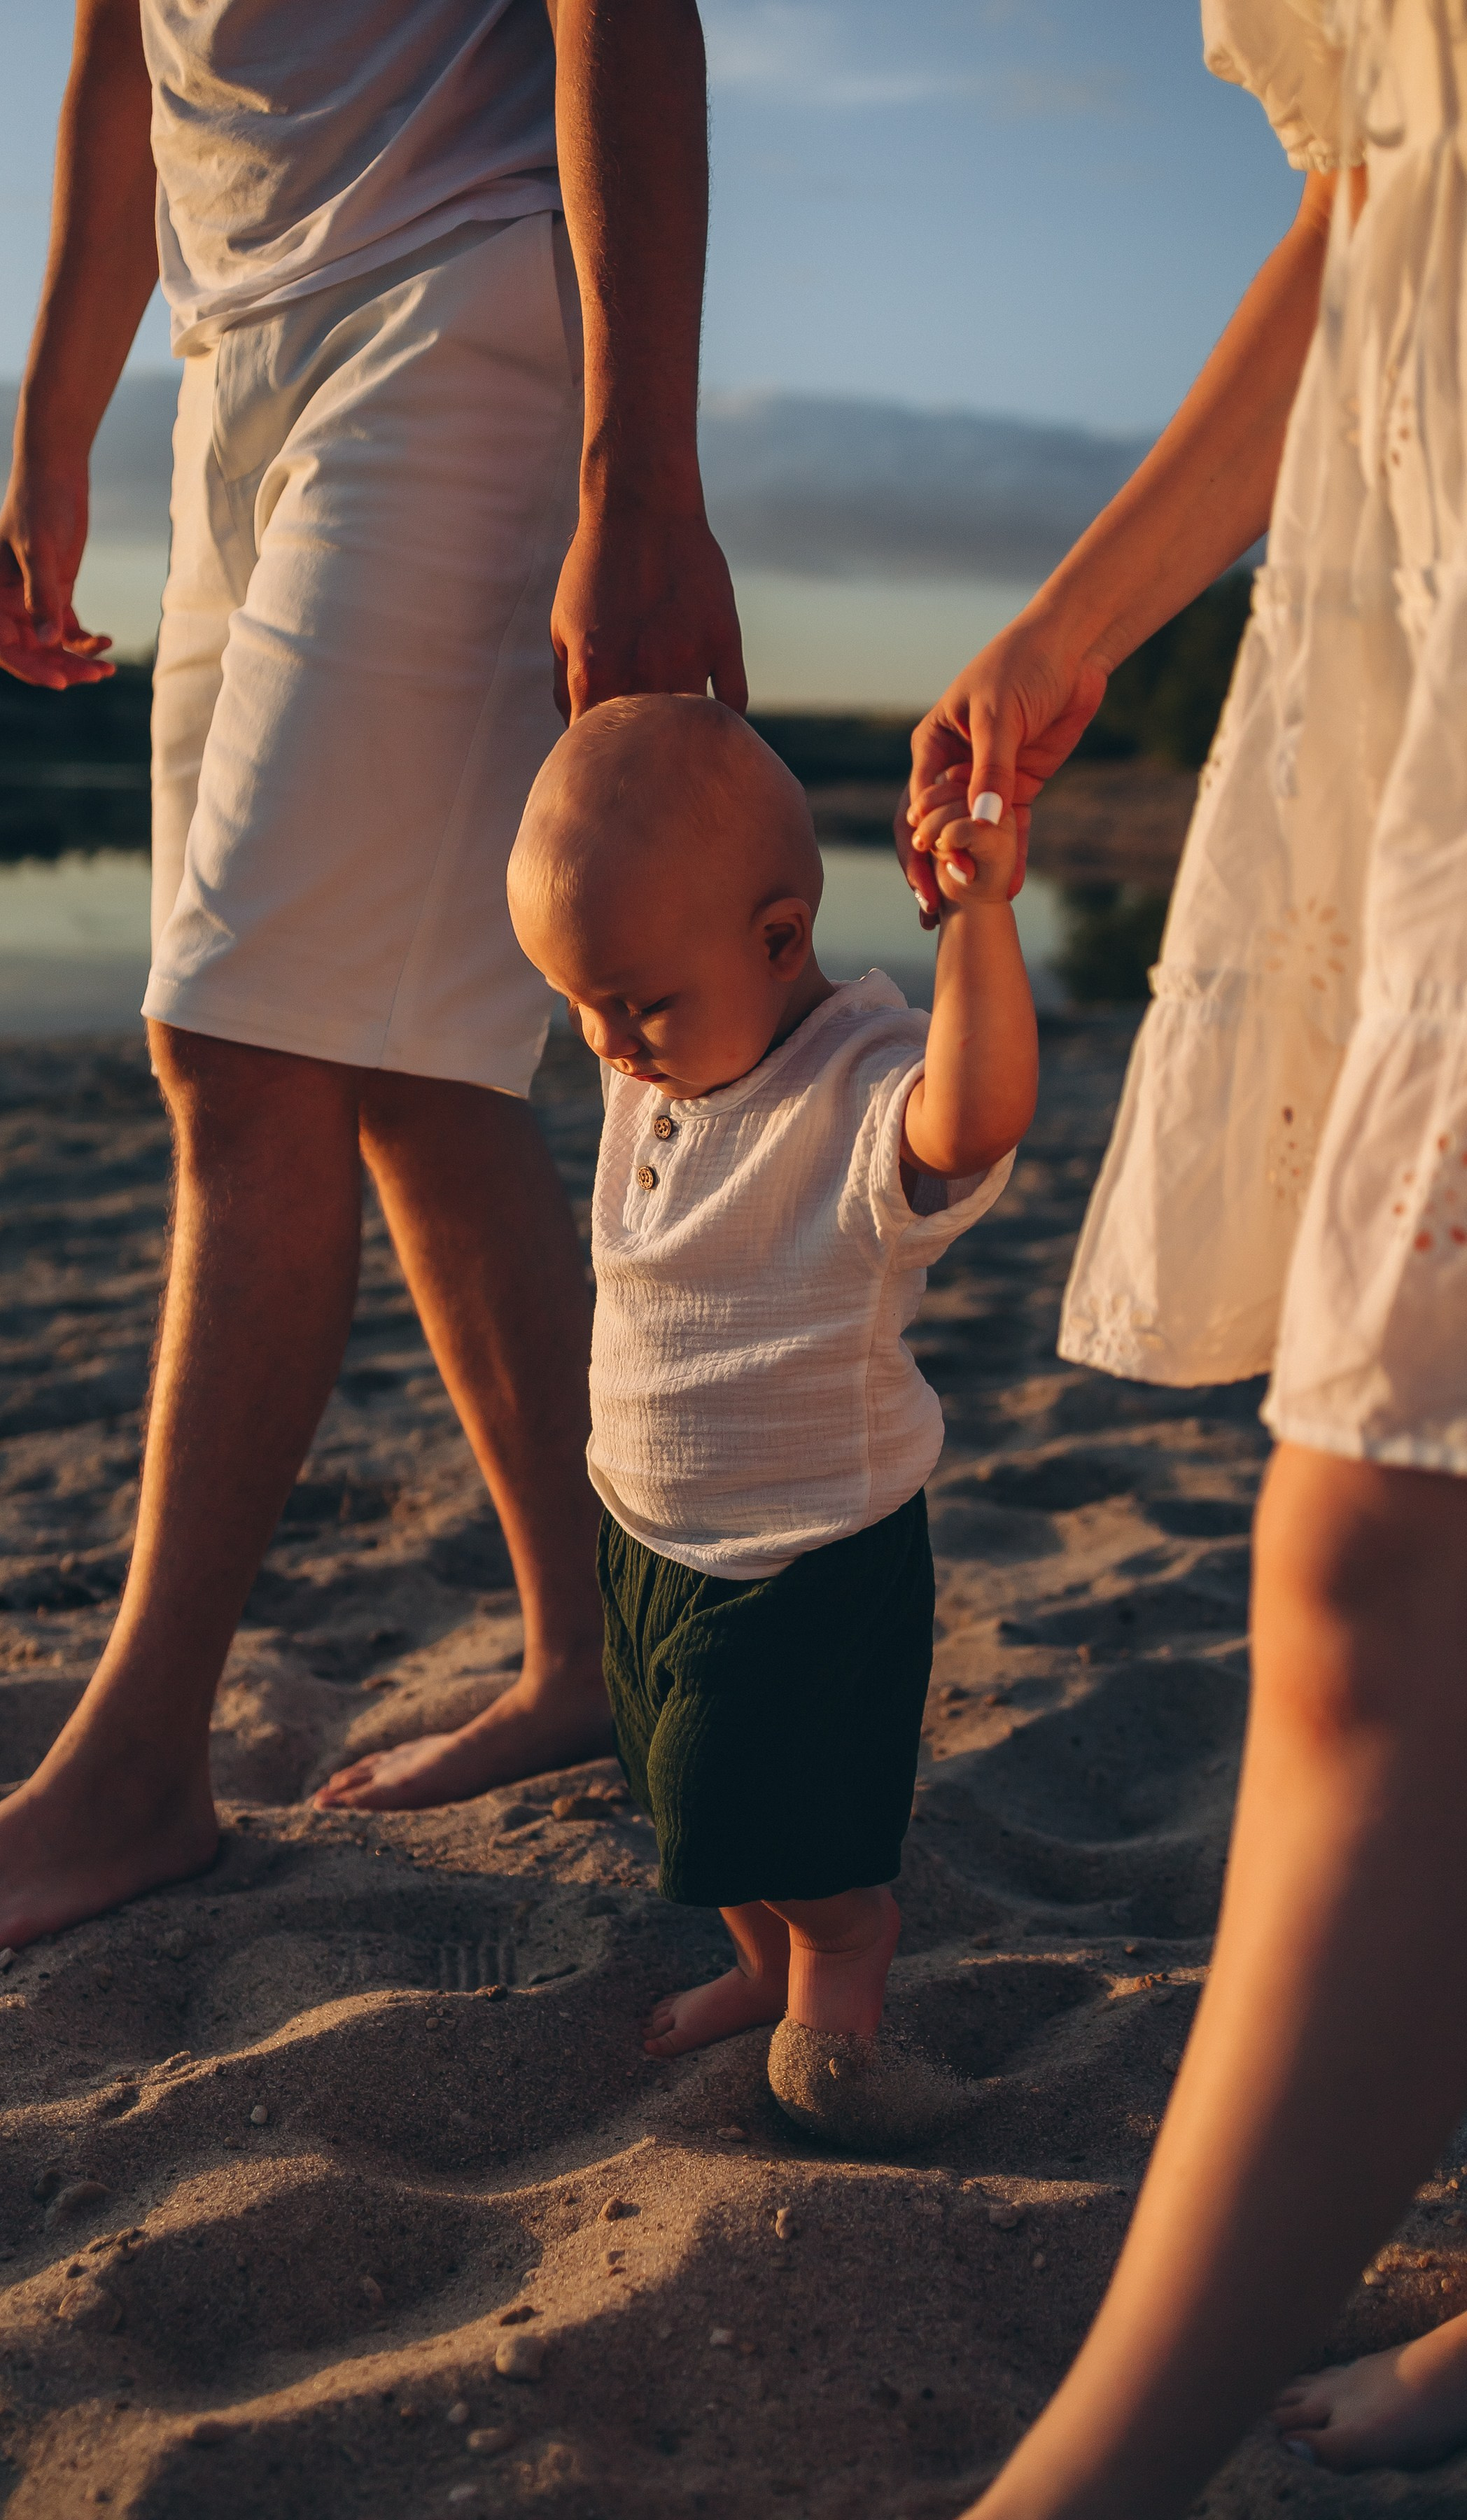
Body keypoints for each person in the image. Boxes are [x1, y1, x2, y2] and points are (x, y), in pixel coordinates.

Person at [0, 0, 745, 1984]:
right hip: (235, 361)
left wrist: (640, 472)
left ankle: (144, 1759)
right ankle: (595, 1652)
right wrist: (57, 422)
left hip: (459, 310)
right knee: (399, 1069)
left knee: (236, 1044)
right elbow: (112, 56)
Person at [899, 2, 1467, 2510]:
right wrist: (1085, 605)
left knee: (1383, 1546)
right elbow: (1380, 190)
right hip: (1420, 567)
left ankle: (1089, 2487)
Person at [507, 696, 1033, 2104]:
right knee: (682, 1794)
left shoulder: (856, 1085)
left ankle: (842, 1979)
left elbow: (972, 1120)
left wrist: (980, 922)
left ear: (781, 940)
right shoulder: (682, 1037)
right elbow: (654, 797)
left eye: (637, 1004)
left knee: (782, 1812)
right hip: (644, 1520)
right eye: (580, 1003)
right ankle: (757, 1962)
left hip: (803, 1550)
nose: (608, 1042)